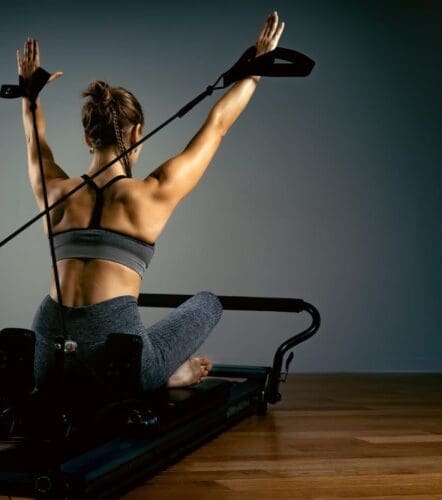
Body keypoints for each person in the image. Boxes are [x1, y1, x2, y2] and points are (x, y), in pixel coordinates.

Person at [19, 12, 286, 392]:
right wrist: (256, 70)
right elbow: (217, 126)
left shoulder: (56, 193)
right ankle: (164, 372)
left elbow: (35, 141)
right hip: (119, 364)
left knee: (127, 337)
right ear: (138, 133)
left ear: (87, 139)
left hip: (45, 362)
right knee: (207, 304)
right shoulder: (151, 194)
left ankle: (160, 367)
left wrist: (31, 91)